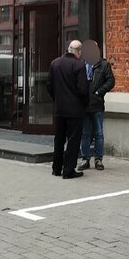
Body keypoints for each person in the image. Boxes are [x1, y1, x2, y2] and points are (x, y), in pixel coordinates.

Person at [46, 39, 88, 179]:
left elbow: (49, 85)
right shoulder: (79, 65)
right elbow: (83, 90)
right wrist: (84, 104)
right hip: (75, 110)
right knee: (73, 140)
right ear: (79, 52)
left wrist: (57, 98)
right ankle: (68, 170)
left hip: (59, 109)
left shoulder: (55, 63)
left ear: (69, 49)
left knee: (59, 139)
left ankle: (56, 168)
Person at [79, 40, 115, 171]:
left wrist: (99, 92)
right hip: (84, 105)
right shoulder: (81, 64)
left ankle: (98, 159)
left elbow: (111, 81)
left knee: (99, 133)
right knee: (85, 134)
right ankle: (85, 159)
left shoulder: (103, 64)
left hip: (97, 104)